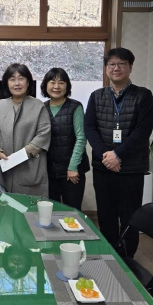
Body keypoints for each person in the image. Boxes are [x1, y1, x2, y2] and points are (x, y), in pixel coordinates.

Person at [84, 48, 153, 258]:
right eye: (112, 64)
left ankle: (126, 259)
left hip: (131, 168)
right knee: (105, 214)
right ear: (106, 68)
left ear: (130, 67)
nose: (116, 68)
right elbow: (90, 128)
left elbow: (142, 131)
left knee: (130, 216)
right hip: (103, 167)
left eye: (121, 64)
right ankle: (109, 255)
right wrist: (106, 155)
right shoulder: (96, 96)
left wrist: (118, 155)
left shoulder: (143, 95)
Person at [0, 63, 51, 197]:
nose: (17, 83)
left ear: (28, 82)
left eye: (21, 78)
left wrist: (21, 155)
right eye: (12, 79)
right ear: (7, 83)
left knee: (29, 207)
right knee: (4, 205)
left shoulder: (38, 106)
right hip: (4, 167)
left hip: (30, 167)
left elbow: (43, 134)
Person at [41, 68, 90, 210]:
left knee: (72, 212)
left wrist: (72, 167)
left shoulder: (75, 106)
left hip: (72, 171)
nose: (56, 86)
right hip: (50, 171)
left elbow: (81, 138)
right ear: (45, 85)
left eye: (61, 82)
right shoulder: (42, 108)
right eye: (52, 82)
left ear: (67, 86)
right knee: (51, 211)